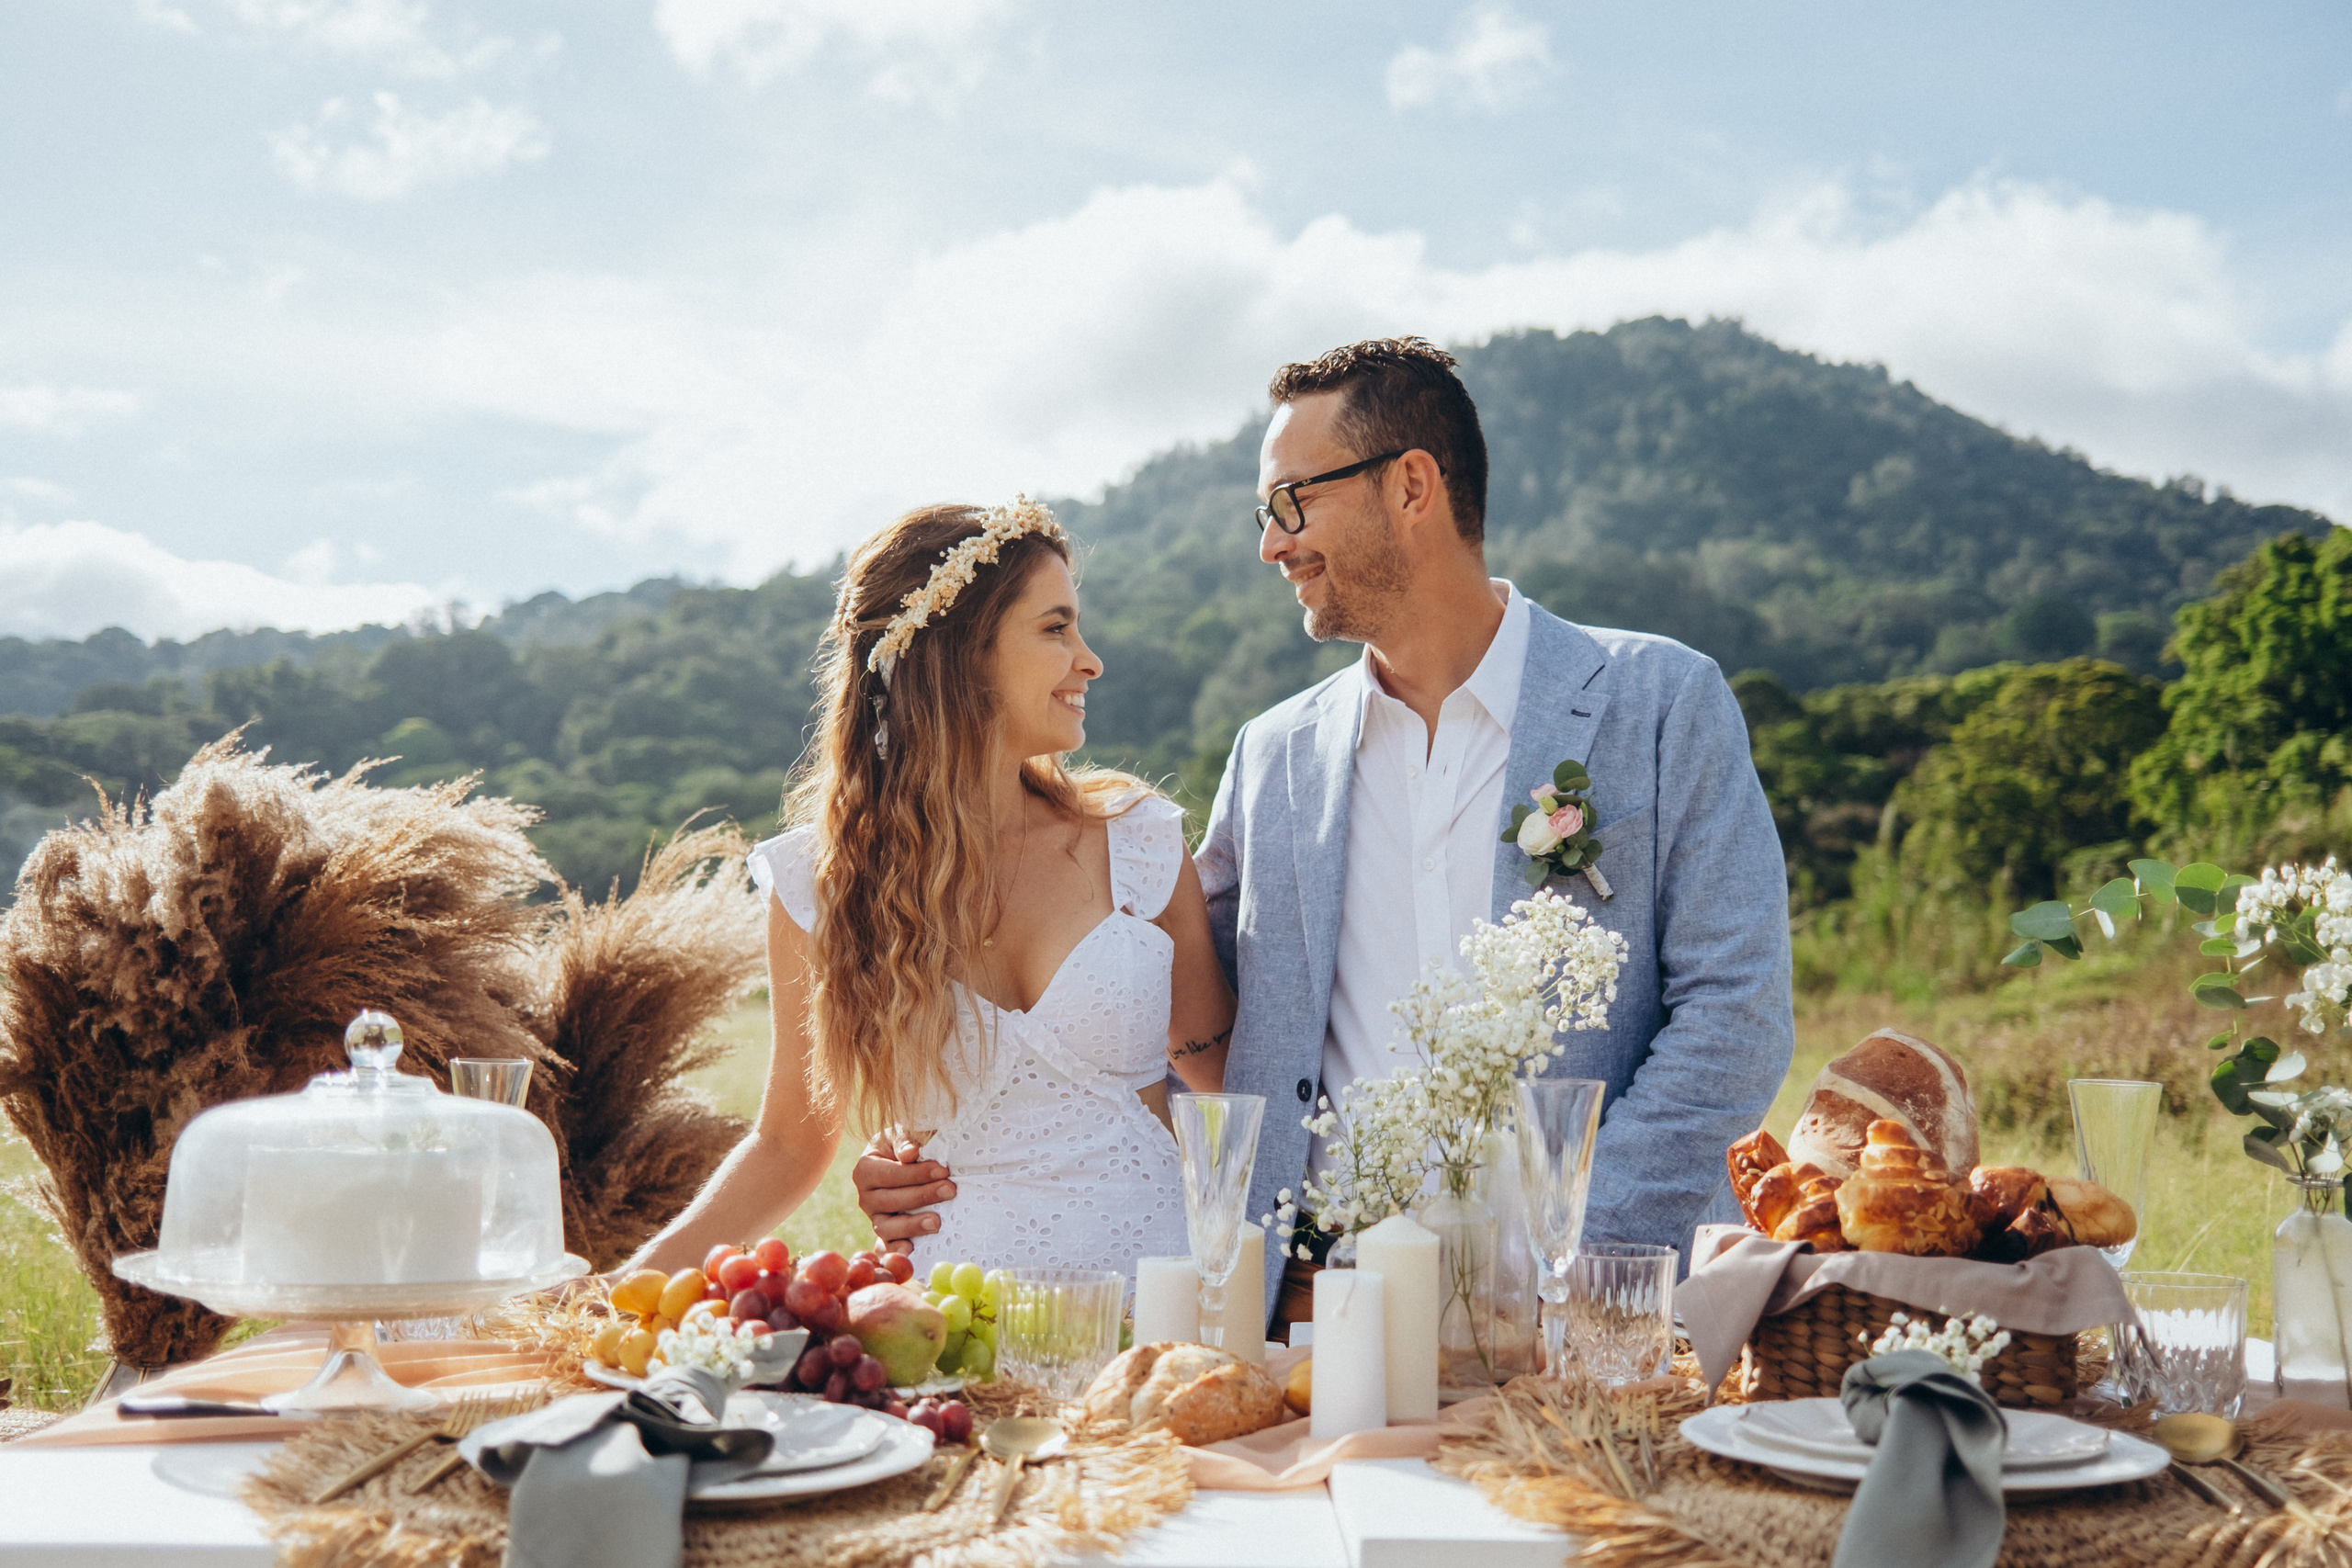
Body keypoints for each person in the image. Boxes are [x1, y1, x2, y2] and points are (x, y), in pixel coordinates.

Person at [858, 338, 1792, 1337]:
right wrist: (951, 1145)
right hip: (1325, 1315)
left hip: (1598, 1313)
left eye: (1292, 503)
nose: (1272, 543)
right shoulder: (1273, 757)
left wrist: (1563, 1253)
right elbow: (1165, 1014)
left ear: (1411, 486)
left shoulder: (1659, 702)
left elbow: (1734, 1017)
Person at [621, 499, 1234, 1283]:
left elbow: (1229, 1079)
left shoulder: (1138, 841)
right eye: (1055, 628)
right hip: (946, 1328)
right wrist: (612, 1293)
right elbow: (786, 1146)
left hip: (1160, 1311)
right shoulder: (823, 886)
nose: (1090, 660)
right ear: (961, 654)